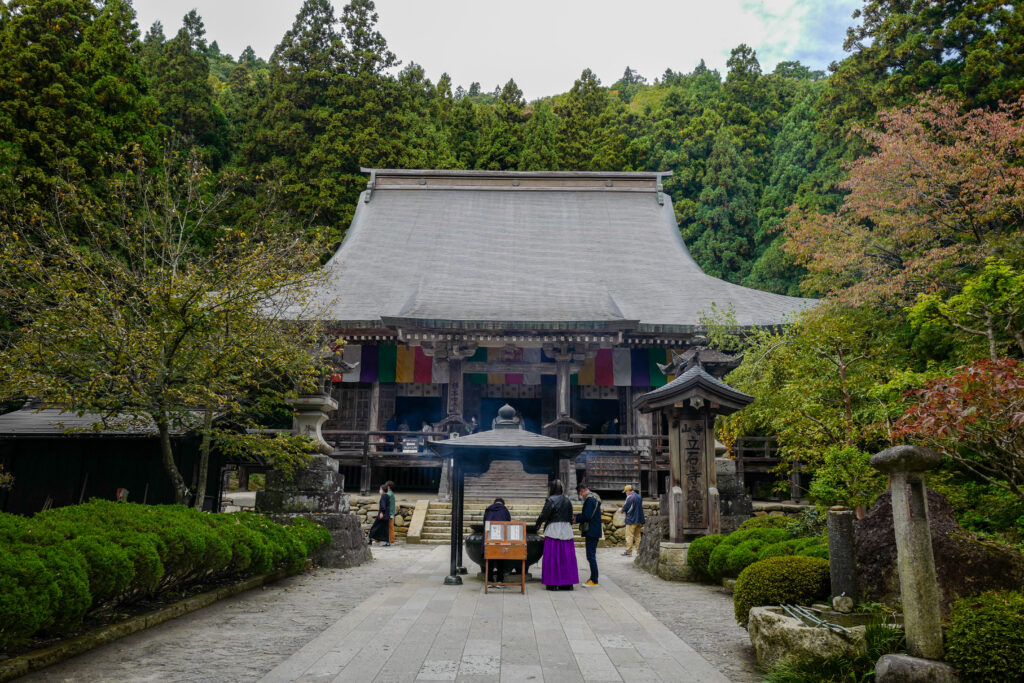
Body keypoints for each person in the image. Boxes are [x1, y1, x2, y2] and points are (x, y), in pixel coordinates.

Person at [535, 480, 578, 591]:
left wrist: (537, 525)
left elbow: (544, 515)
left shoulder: (550, 500)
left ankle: (552, 583)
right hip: (566, 530)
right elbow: (570, 517)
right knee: (566, 558)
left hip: (553, 530)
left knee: (552, 557)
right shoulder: (568, 501)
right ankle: (567, 583)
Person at [575, 483, 602, 587]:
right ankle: (593, 578)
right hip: (595, 530)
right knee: (591, 555)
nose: (581, 496)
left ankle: (594, 580)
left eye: (580, 493)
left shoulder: (590, 500)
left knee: (590, 556)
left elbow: (587, 516)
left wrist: (576, 518)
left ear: (582, 491)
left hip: (591, 531)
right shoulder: (595, 498)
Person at [483, 497, 512, 585]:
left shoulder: (488, 509)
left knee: (490, 558)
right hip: (501, 537)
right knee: (501, 559)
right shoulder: (505, 510)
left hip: (490, 537)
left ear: (494, 503)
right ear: (503, 503)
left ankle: (490, 579)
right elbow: (508, 522)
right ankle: (500, 580)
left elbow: (484, 523)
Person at [619, 484, 645, 556]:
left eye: (626, 491)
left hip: (631, 520)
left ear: (629, 491)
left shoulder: (630, 497)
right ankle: (639, 552)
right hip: (639, 520)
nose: (626, 493)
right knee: (638, 536)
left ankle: (628, 552)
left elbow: (626, 507)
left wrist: (622, 510)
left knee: (629, 536)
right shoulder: (639, 496)